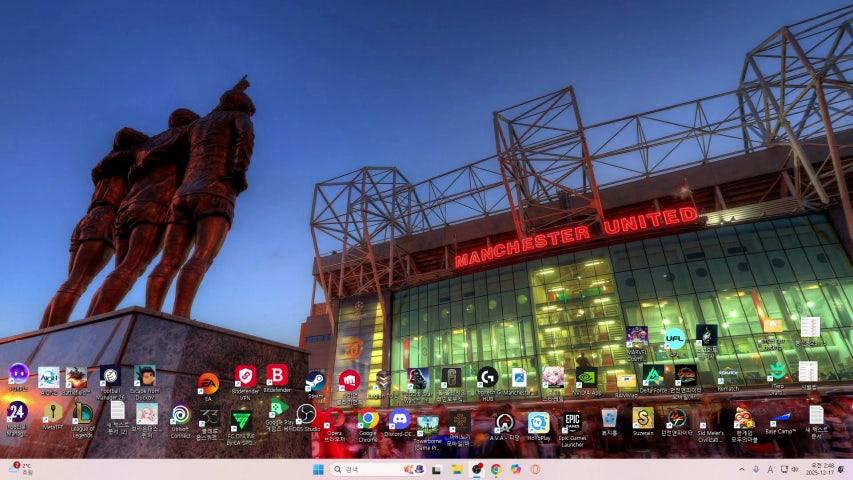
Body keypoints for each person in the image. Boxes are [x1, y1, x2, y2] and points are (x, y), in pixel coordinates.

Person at [146, 77, 255, 317]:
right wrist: (238, 174)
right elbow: (244, 141)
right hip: (216, 191)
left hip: (183, 195)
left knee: (168, 260)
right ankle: (181, 315)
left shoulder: (197, 125)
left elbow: (167, 148)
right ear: (244, 107)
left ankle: (150, 314)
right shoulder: (240, 118)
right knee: (201, 256)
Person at [86, 109, 199, 315]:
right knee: (132, 267)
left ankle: (92, 320)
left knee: (121, 270)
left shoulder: (144, 146)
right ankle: (95, 323)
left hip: (127, 208)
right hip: (153, 205)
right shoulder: (182, 138)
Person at [41, 128, 149, 328]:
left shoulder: (104, 167)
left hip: (88, 218)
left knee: (73, 282)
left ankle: (45, 333)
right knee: (77, 282)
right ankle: (53, 335)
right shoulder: (128, 159)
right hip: (106, 217)